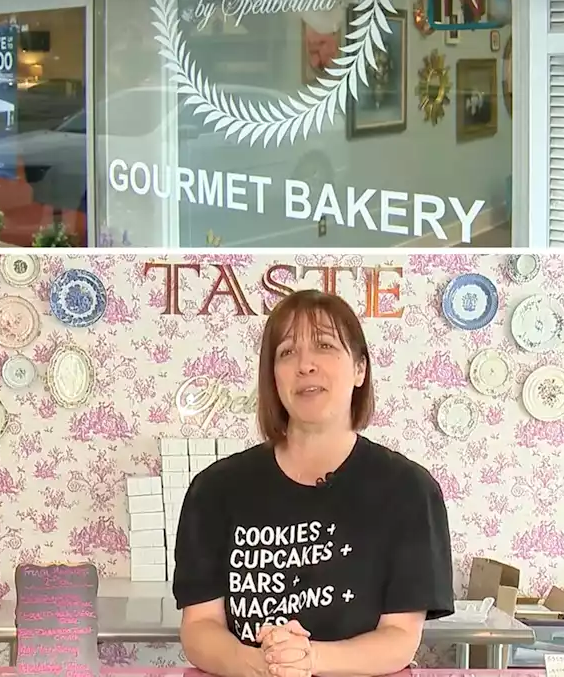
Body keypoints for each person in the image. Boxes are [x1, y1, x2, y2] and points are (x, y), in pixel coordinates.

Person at [171, 288, 454, 677]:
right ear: (273, 377)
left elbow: (400, 637)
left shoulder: (409, 491)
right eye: (287, 352)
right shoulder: (215, 490)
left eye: (324, 345)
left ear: (360, 369)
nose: (305, 365)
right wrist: (262, 664)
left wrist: (310, 660)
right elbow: (200, 628)